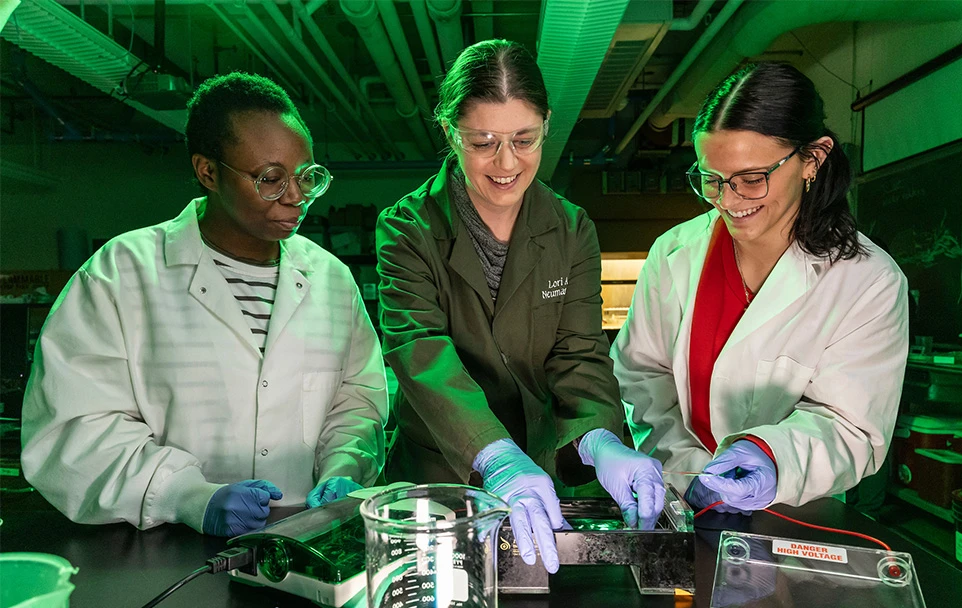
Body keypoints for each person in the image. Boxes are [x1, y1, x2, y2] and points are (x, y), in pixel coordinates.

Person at [21, 72, 388, 537]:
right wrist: (186, 495)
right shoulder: (121, 274)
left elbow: (356, 398)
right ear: (208, 172)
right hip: (163, 547)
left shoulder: (331, 279)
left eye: (307, 176)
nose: (295, 197)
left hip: (307, 538)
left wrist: (345, 465)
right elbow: (70, 432)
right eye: (270, 178)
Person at [377, 39, 664, 574]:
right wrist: (493, 454)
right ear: (449, 131)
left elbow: (578, 352)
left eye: (524, 140)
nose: (506, 163)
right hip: (441, 471)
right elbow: (420, 352)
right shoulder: (408, 227)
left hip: (541, 464)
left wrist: (599, 436)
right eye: (483, 141)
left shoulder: (571, 228)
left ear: (546, 126)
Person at [611, 62, 908, 514]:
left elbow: (851, 427)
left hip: (796, 508)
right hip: (682, 495)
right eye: (711, 179)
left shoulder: (868, 282)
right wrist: (684, 468)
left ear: (813, 159)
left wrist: (772, 459)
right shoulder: (675, 254)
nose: (729, 201)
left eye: (752, 179)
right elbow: (641, 375)